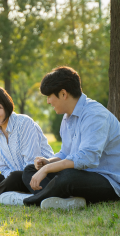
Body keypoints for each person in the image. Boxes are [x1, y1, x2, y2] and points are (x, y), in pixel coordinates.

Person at [21, 66, 120, 209]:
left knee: (68, 177)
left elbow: (87, 158)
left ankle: (33, 200)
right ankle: (62, 200)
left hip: (109, 180)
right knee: (30, 170)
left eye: (49, 96)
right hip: (82, 175)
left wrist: (47, 169)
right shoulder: (67, 118)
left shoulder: (95, 115)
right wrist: (47, 162)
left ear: (63, 94)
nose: (48, 101)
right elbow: (66, 154)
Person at [0, 86, 54, 204]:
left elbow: (31, 165)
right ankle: (11, 193)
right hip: (13, 179)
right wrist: (9, 180)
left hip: (37, 176)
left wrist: (12, 179)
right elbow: (2, 167)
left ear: (6, 105)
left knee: (15, 176)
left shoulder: (24, 123)